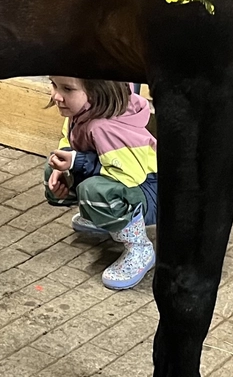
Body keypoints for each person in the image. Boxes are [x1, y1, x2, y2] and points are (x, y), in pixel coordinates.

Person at [45, 77, 159, 290]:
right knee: (54, 168)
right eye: (53, 84)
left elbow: (128, 176)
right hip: (124, 183)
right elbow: (68, 142)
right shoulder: (79, 113)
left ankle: (139, 247)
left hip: (150, 190)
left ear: (97, 92)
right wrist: (64, 165)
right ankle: (102, 219)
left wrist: (76, 162)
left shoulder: (105, 127)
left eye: (67, 89)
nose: (56, 96)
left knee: (96, 191)